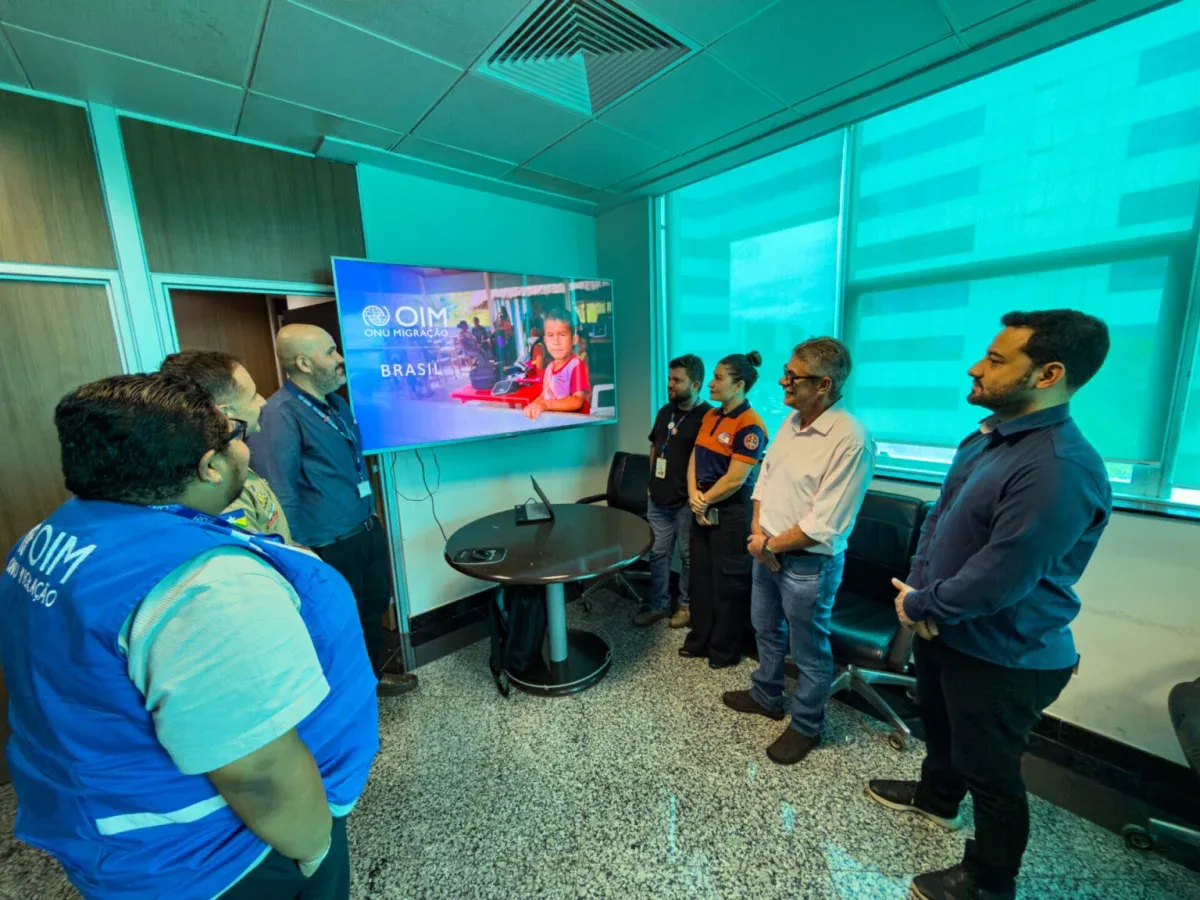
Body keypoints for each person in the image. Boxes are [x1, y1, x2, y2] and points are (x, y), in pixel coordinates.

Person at [0, 373, 378, 899]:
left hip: (114, 832)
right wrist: (315, 847)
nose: (246, 446)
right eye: (235, 436)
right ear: (209, 465)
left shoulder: (55, 535)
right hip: (223, 855)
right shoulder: (207, 585)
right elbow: (258, 769)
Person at [868, 310, 1113, 900]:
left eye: (997, 360)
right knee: (939, 724)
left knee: (991, 771)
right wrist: (918, 597)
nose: (976, 368)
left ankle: (989, 880)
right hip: (945, 629)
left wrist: (924, 605)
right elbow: (939, 521)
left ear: (1048, 374)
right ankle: (936, 799)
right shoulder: (986, 439)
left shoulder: (1058, 466)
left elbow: (1002, 575)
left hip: (1004, 654)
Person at [721, 339, 875, 765]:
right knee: (766, 630)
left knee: (809, 651)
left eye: (792, 376)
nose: (781, 381)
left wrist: (767, 545)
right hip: (766, 549)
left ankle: (806, 725)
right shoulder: (792, 421)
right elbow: (765, 480)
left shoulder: (851, 440)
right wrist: (758, 532)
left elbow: (825, 524)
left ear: (823, 384)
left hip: (809, 564)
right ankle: (766, 695)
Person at [249, 324, 418, 698]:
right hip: (327, 543)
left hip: (364, 528)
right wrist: (296, 553)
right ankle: (345, 697)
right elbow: (280, 491)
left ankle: (372, 679)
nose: (340, 359)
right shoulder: (280, 414)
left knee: (372, 608)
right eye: (330, 352)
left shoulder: (336, 404)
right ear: (304, 363)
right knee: (337, 622)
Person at [680, 351, 769, 668]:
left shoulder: (751, 424)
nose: (711, 383)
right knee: (701, 578)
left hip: (730, 511)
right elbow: (695, 456)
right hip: (702, 503)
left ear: (739, 384)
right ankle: (699, 639)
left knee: (728, 582)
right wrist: (694, 495)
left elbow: (735, 478)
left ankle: (723, 649)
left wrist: (704, 500)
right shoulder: (711, 415)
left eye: (719, 378)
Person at [160, 349, 292, 542]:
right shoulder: (221, 488)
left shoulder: (228, 457)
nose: (263, 402)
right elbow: (249, 553)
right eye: (253, 396)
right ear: (225, 414)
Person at [634, 354, 712, 628]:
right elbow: (655, 446)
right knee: (657, 553)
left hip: (686, 502)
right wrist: (650, 483)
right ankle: (659, 604)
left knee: (688, 557)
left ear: (696, 384)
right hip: (658, 498)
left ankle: (686, 607)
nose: (670, 384)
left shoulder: (708, 416)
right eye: (669, 378)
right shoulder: (665, 411)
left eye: (677, 380)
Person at [523, 307, 590, 420]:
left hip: (572, 425)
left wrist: (546, 405)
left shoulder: (576, 366)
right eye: (550, 335)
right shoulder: (550, 367)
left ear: (574, 339)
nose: (556, 342)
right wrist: (534, 405)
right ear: (545, 340)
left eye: (562, 335)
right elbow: (545, 394)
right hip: (554, 421)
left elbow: (577, 401)